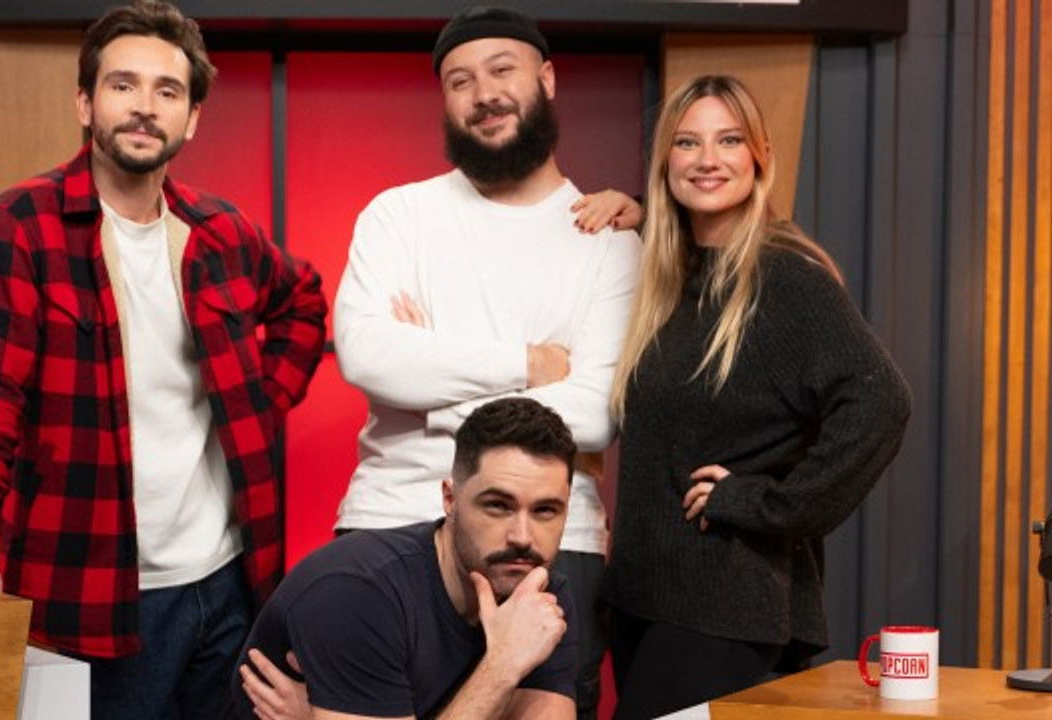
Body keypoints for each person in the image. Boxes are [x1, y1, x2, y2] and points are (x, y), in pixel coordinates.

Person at [0, 1, 327, 717]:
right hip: (90, 589)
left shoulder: (220, 231)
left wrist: (255, 408)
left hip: (229, 582)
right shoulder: (22, 225)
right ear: (85, 102)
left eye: (167, 91)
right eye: (123, 85)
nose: (145, 106)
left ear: (191, 118)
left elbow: (304, 302)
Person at [331, 8, 642, 717]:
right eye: (460, 81)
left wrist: (432, 390)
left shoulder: (608, 241)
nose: (485, 94)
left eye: (503, 70)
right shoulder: (397, 216)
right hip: (391, 518)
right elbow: (367, 354)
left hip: (552, 542)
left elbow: (595, 415)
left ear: (547, 78)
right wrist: (530, 365)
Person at [601, 74, 912, 719]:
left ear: (760, 156)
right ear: (666, 161)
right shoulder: (671, 280)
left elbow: (881, 403)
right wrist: (636, 208)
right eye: (687, 142)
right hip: (644, 599)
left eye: (729, 140)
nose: (707, 159)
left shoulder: (785, 277)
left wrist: (769, 504)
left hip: (724, 601)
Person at [234, 397, 580, 720]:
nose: (522, 537)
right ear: (450, 499)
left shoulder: (538, 595)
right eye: (498, 506)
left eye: (545, 510)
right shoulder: (358, 591)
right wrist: (502, 666)